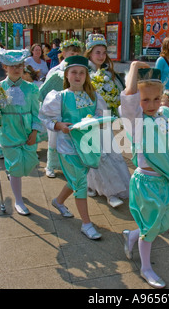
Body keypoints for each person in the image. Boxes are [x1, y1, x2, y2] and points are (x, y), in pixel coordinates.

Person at [119, 63, 169, 289]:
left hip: (164, 182)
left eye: (156, 99)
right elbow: (129, 96)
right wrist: (132, 68)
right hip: (146, 183)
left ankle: (132, 235)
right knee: (151, 228)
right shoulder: (136, 120)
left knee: (162, 222)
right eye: (145, 100)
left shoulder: (168, 114)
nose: (151, 105)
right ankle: (146, 268)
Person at [39, 55, 106, 239]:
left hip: (87, 145)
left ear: (86, 76)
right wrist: (59, 125)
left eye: (82, 73)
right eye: (74, 72)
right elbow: (45, 117)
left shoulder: (93, 96)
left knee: (77, 178)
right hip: (67, 146)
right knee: (81, 183)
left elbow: (101, 116)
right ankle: (86, 224)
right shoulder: (59, 97)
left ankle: (58, 201)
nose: (78, 76)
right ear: (66, 75)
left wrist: (99, 122)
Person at [0, 47, 44, 216]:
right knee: (16, 166)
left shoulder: (32, 89)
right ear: (5, 68)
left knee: (28, 163)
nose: (16, 69)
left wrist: (35, 132)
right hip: (8, 130)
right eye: (12, 65)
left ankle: (12, 174)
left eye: (19, 65)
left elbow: (38, 112)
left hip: (27, 130)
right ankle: (19, 200)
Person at [84, 34, 130, 208]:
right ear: (89, 53)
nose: (101, 56)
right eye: (97, 52)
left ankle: (96, 186)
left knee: (109, 153)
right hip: (89, 120)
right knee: (97, 155)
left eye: (104, 52)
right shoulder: (84, 72)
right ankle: (110, 193)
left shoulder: (108, 74)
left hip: (106, 119)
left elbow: (118, 94)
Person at [40, 38, 84, 179]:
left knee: (70, 139)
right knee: (53, 139)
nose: (73, 56)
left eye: (76, 53)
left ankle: (68, 166)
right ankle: (50, 165)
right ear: (64, 53)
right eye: (71, 53)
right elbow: (46, 91)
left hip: (72, 109)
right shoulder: (55, 70)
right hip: (56, 110)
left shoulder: (81, 70)